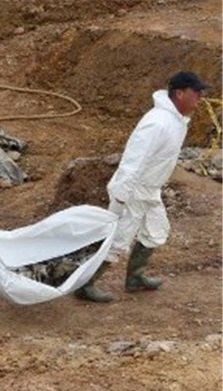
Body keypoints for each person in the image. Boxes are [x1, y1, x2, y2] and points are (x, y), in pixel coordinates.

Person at [75, 70, 209, 303]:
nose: (201, 95)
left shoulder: (175, 120)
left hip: (149, 189)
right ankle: (86, 285)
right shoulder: (158, 123)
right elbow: (134, 159)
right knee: (118, 240)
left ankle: (135, 278)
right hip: (134, 189)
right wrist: (122, 195)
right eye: (196, 91)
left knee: (156, 231)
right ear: (179, 93)